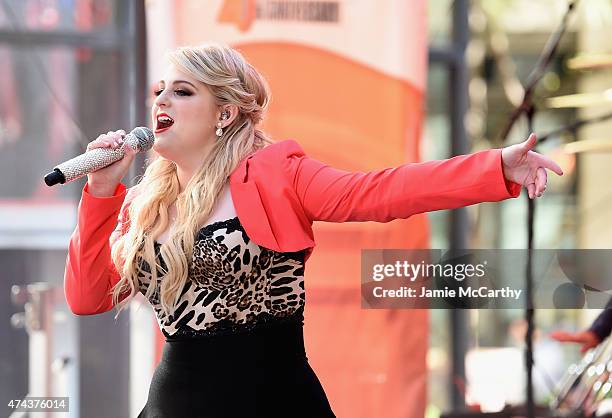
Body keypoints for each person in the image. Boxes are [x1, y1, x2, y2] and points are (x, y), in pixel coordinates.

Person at [63, 43, 563, 418]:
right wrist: (102, 191)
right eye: (160, 91)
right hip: (175, 404)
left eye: (182, 90)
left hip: (272, 402)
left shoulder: (275, 173)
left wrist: (494, 168)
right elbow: (88, 298)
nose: (161, 100)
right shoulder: (146, 206)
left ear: (226, 113)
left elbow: (379, 192)